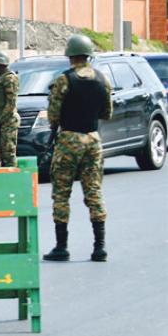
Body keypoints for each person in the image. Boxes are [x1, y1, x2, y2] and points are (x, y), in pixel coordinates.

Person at [43, 34, 113, 262]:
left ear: (70, 56)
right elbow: (107, 113)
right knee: (93, 191)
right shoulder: (102, 79)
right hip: (93, 140)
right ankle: (99, 247)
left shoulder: (65, 80)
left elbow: (53, 115)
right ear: (89, 54)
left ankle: (61, 247)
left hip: (69, 139)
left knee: (61, 193)